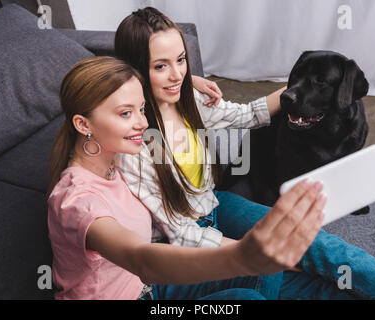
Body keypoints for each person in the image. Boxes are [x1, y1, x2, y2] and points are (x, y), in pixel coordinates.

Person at [113, 7, 375, 300]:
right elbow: (181, 235)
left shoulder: (189, 98)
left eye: (181, 60)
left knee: (321, 247)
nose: (177, 74)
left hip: (216, 204)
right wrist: (250, 253)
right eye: (160, 66)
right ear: (137, 69)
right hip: (184, 242)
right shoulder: (136, 144)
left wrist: (297, 88)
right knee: (295, 278)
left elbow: (247, 115)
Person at [47, 56, 350, 300]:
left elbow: (130, 69)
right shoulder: (78, 202)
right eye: (126, 114)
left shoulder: (118, 156)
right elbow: (140, 258)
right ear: (82, 124)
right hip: (143, 286)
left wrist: (182, 80)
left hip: (154, 287)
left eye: (141, 109)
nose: (142, 122)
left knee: (281, 275)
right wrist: (241, 256)